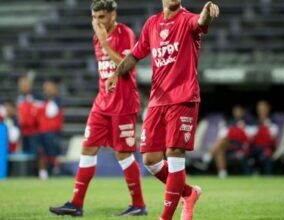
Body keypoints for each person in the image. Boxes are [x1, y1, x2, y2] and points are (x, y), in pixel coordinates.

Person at [106, 1, 220, 219]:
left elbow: (201, 21)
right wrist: (115, 74)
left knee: (175, 153)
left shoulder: (187, 19)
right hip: (158, 100)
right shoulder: (152, 23)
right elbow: (135, 55)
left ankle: (165, 216)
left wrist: (207, 12)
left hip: (183, 97)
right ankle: (189, 192)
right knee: (150, 159)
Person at [49, 0, 147, 217]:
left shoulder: (125, 34)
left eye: (102, 17)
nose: (97, 22)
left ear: (113, 15)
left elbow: (125, 64)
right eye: (94, 18)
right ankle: (76, 204)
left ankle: (139, 204)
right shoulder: (97, 36)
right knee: (88, 148)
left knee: (123, 154)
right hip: (102, 103)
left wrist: (104, 42)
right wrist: (102, 40)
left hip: (123, 104)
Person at [201, 105, 256, 178]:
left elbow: (252, 135)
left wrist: (242, 129)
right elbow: (223, 133)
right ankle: (222, 173)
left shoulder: (249, 120)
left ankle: (208, 156)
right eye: (235, 111)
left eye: (239, 110)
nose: (237, 113)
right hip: (231, 144)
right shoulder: (230, 121)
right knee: (220, 149)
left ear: (242, 112)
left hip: (242, 145)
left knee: (223, 141)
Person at [36, 79, 63, 179]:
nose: (47, 89)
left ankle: (55, 171)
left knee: (54, 153)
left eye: (50, 87)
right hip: (41, 131)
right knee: (42, 153)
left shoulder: (58, 101)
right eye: (46, 87)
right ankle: (43, 173)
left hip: (53, 132)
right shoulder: (40, 100)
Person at [245, 100, 278, 175]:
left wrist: (266, 126)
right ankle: (248, 178)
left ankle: (268, 177)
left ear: (268, 109)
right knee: (246, 155)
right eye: (259, 109)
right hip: (254, 148)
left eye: (263, 108)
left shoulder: (273, 122)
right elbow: (249, 137)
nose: (261, 111)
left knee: (267, 154)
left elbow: (273, 137)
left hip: (267, 148)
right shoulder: (253, 122)